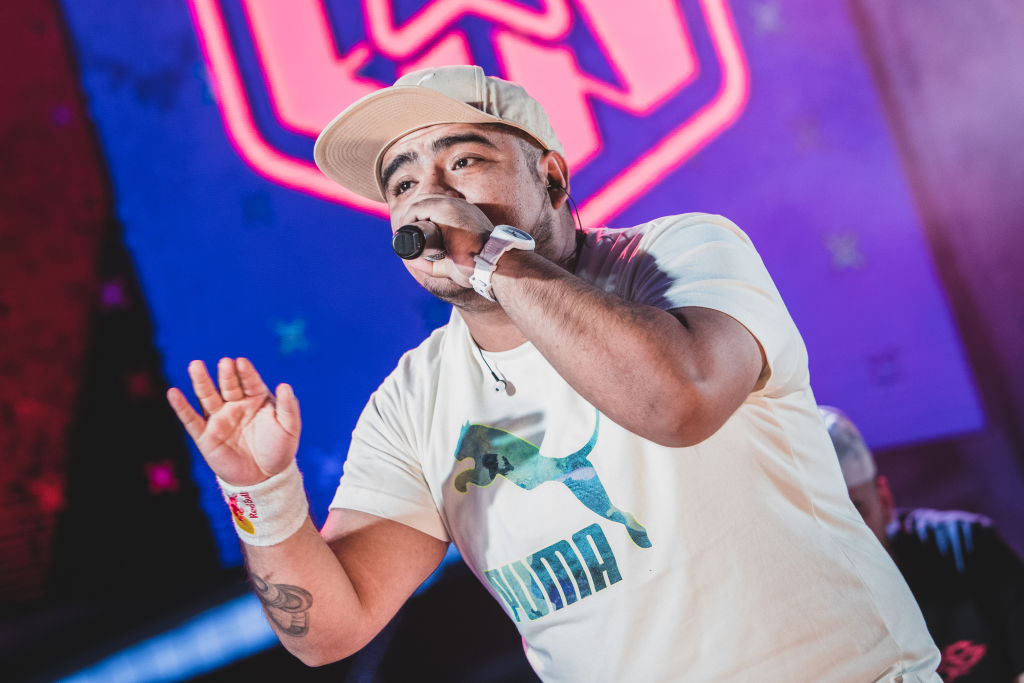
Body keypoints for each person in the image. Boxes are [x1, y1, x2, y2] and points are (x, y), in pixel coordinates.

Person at [167, 65, 941, 681]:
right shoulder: (413, 402)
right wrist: (262, 494)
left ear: (554, 178)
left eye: (463, 161)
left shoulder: (681, 253)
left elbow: (681, 401)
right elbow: (330, 629)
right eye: (403, 185)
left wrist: (492, 255)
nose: (429, 196)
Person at [821, 405, 1024, 683]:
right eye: (826, 520)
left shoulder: (966, 546)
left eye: (856, 510)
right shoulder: (812, 618)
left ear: (884, 499)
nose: (845, 533)